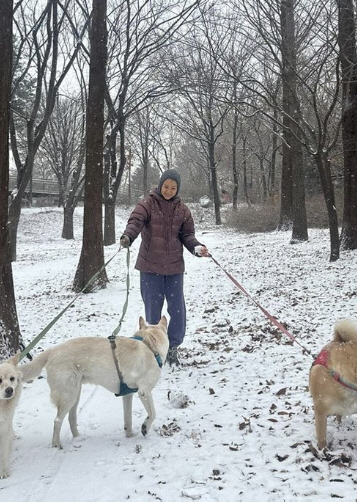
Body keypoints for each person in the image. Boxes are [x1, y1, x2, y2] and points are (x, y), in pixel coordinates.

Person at [120, 169, 209, 366]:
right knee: (153, 310)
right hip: (150, 267)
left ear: (178, 189)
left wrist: (196, 247)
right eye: (166, 186)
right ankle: (152, 348)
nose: (169, 190)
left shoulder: (183, 210)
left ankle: (173, 347)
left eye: (173, 187)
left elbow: (187, 235)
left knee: (178, 310)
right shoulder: (147, 203)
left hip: (174, 268)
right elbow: (136, 221)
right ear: (160, 185)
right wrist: (128, 236)